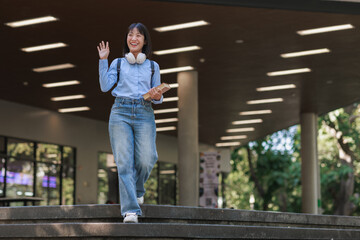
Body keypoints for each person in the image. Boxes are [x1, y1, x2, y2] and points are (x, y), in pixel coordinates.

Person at [97, 23, 163, 223]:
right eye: (130, 35)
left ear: (144, 41)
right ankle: (131, 211)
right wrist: (103, 61)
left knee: (147, 158)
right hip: (120, 112)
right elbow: (104, 86)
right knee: (124, 162)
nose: (133, 38)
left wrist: (157, 94)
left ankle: (138, 189)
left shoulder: (153, 66)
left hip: (144, 112)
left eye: (138, 35)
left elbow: (158, 97)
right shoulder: (118, 63)